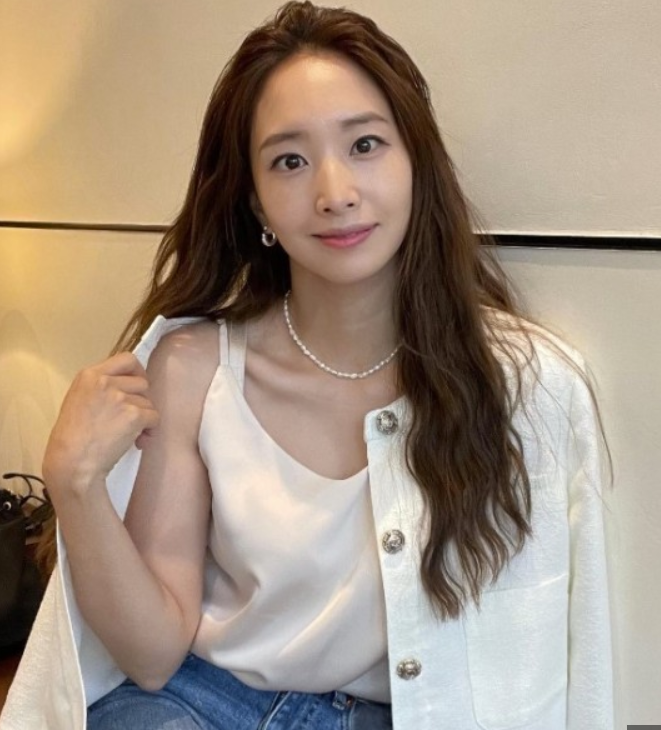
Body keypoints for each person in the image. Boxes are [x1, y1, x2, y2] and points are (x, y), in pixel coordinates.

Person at [0, 2, 613, 729]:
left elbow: (575, 645)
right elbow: (154, 655)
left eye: (365, 144)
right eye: (289, 161)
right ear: (255, 201)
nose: (334, 193)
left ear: (416, 164)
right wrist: (74, 484)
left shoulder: (529, 383)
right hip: (205, 705)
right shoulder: (193, 367)